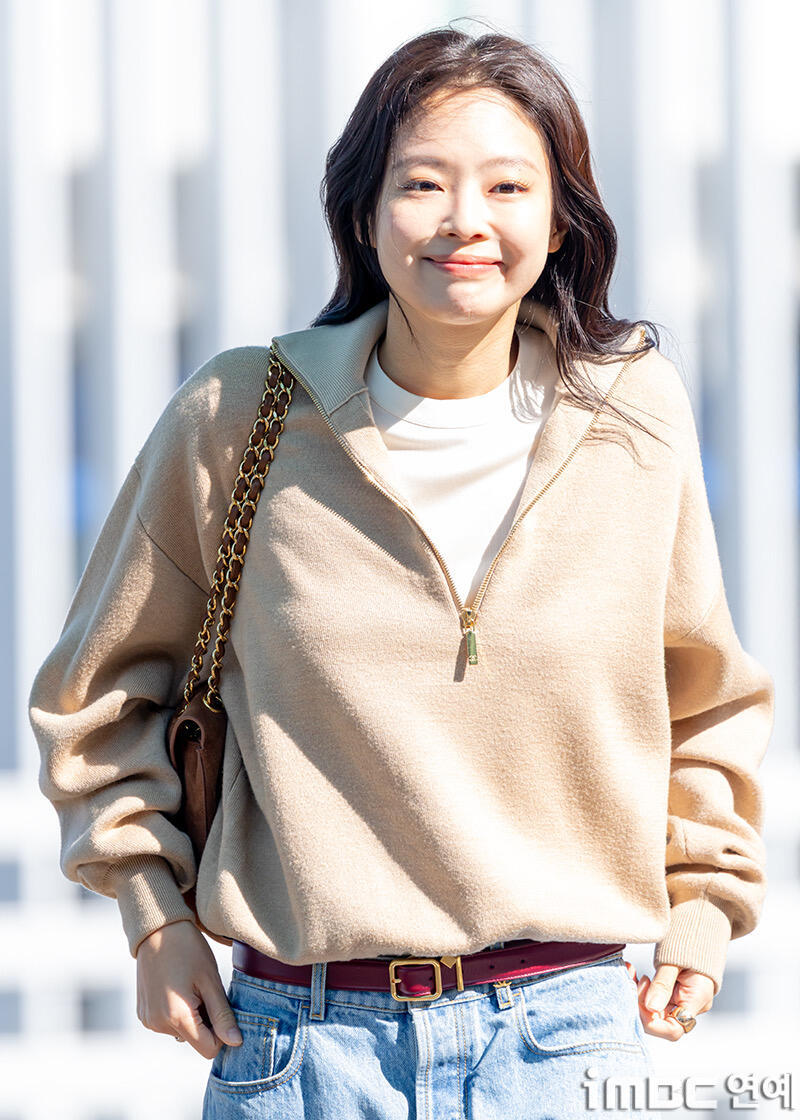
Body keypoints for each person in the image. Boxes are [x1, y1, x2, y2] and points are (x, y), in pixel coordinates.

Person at [28, 24, 775, 1120]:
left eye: (508, 186)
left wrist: (705, 905)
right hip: (298, 1048)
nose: (465, 220)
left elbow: (703, 694)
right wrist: (155, 916)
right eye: (422, 183)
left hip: (564, 1035)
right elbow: (94, 694)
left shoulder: (632, 415)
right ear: (363, 214)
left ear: (560, 219)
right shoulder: (238, 415)